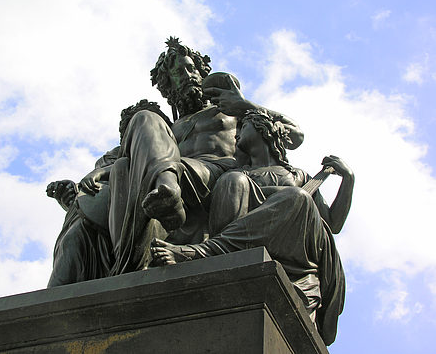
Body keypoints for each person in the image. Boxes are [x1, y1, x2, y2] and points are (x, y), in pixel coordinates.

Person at [151, 108, 354, 346]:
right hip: (243, 245)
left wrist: (348, 180)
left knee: (298, 199)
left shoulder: (299, 176)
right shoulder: (235, 172)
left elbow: (333, 223)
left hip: (293, 248)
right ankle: (219, 260)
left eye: (243, 127)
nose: (236, 135)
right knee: (232, 180)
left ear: (262, 129)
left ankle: (201, 252)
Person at [106, 37, 305, 275]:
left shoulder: (228, 110)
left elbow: (295, 136)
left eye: (192, 69)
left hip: (218, 175)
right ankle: (131, 265)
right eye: (180, 72)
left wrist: (243, 105)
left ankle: (169, 188)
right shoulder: (169, 127)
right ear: (168, 86)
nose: (189, 75)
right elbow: (115, 161)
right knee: (129, 150)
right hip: (176, 175)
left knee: (162, 163)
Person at [47, 100, 170, 287]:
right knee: (72, 242)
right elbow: (98, 195)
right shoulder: (111, 156)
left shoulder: (168, 152)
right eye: (128, 129)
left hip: (143, 218)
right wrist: (71, 196)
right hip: (95, 222)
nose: (134, 133)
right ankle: (51, 308)